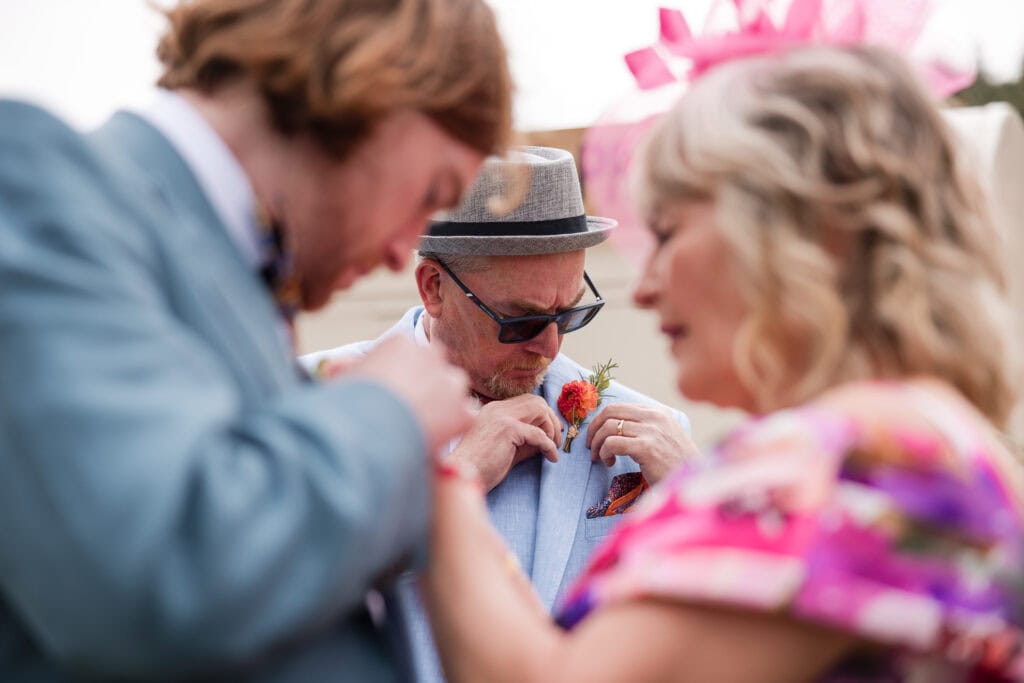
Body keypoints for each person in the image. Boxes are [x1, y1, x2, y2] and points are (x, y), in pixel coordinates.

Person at [422, 46, 1024, 682]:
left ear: (793, 236)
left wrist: (441, 497)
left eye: (668, 233)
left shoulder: (840, 463)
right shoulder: (925, 437)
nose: (646, 284)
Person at [0, 0, 510, 680]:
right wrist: (386, 410)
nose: (402, 253)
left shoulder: (237, 276)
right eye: (432, 190)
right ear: (372, 80)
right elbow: (157, 574)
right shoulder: (35, 180)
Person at [303, 145, 697, 682]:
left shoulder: (650, 435)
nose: (551, 347)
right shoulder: (309, 401)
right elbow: (257, 600)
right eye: (520, 322)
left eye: (570, 312)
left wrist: (696, 498)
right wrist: (453, 480)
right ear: (434, 288)